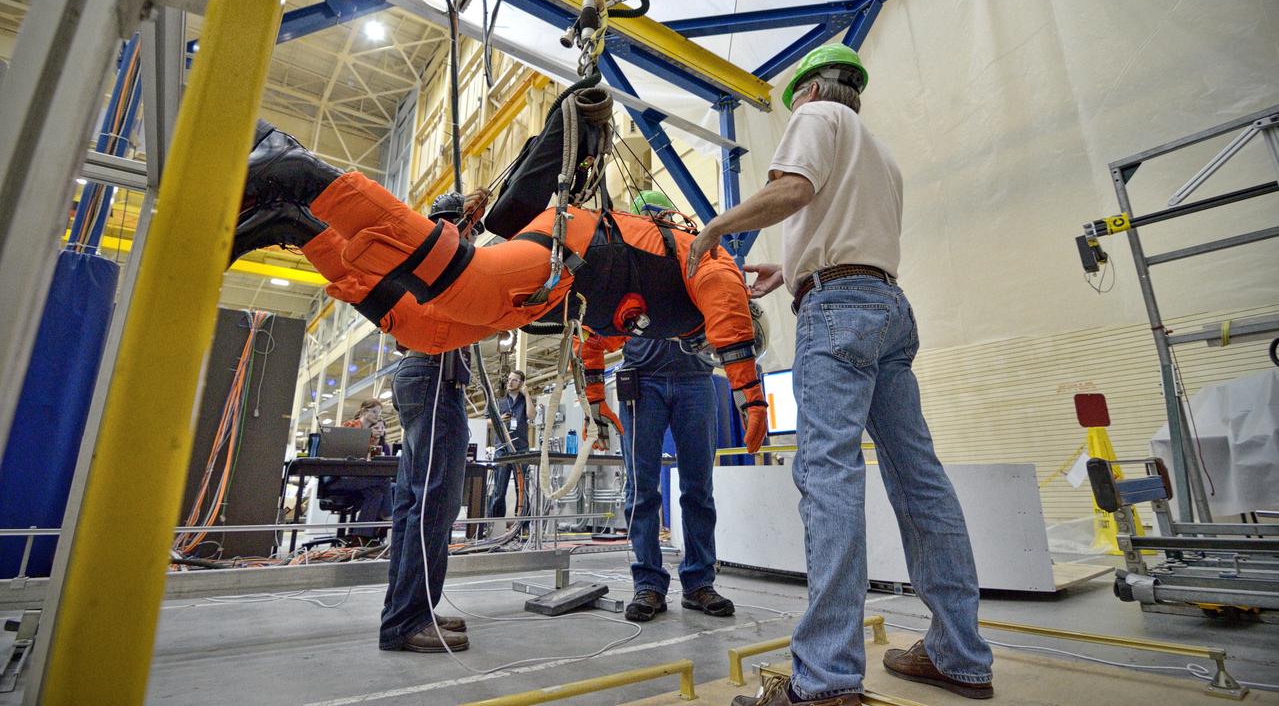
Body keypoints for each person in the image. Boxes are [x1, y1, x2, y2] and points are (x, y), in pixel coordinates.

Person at [687, 45, 994, 705]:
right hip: (887, 308)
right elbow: (840, 225)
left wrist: (718, 225)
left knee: (827, 474)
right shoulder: (875, 152)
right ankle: (960, 654)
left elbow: (793, 190)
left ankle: (824, 677)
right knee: (919, 478)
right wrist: (787, 270)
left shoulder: (813, 116)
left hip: (837, 313)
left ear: (810, 90)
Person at [229, 117, 770, 448]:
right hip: (576, 246)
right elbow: (726, 301)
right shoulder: (715, 267)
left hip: (559, 291)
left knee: (427, 331)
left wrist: (599, 401)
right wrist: (749, 392)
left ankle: (297, 224)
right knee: (469, 284)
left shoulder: (668, 324)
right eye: (714, 349)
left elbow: (597, 340)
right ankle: (301, 173)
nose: (705, 349)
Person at [616, 191, 734, 623]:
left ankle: (700, 582)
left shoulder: (695, 249)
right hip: (641, 382)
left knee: (698, 487)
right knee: (641, 489)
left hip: (694, 380)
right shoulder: (624, 257)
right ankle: (648, 583)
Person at [380, 345, 472, 653]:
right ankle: (409, 621)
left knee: (412, 504)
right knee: (436, 502)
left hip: (420, 371)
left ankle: (404, 613)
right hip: (435, 374)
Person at [323, 398, 391, 541]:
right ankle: (387, 514)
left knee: (377, 494)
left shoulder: (372, 436)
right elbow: (342, 453)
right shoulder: (350, 426)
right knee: (384, 479)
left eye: (378, 413)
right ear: (364, 410)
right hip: (341, 479)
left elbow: (370, 459)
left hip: (358, 478)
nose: (376, 415)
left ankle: (360, 537)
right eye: (374, 411)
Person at [487, 369, 533, 527]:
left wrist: (527, 395)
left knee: (523, 489)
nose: (510, 382)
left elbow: (532, 416)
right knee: (499, 490)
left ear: (521, 383)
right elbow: (487, 421)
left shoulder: (524, 400)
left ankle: (522, 527)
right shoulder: (498, 399)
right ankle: (494, 526)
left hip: (520, 448)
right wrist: (499, 419)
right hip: (502, 448)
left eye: (514, 380)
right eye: (509, 379)